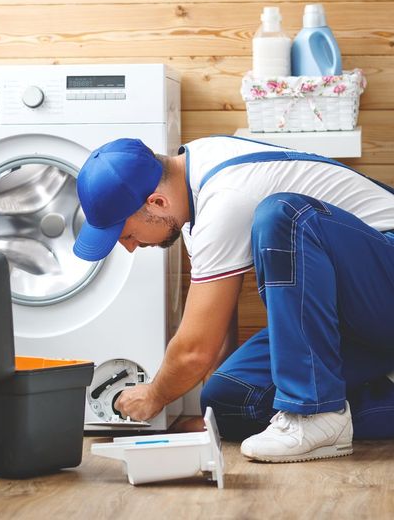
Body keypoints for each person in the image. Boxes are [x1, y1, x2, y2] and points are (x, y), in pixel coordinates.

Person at [72, 135, 394, 463]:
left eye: (127, 234)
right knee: (229, 402)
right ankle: (321, 414)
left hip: (384, 275)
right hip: (353, 314)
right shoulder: (192, 198)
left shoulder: (226, 195)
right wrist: (211, 419)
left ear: (157, 203)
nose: (129, 246)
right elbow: (215, 324)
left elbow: (196, 350)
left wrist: (154, 396)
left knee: (283, 216)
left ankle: (315, 413)